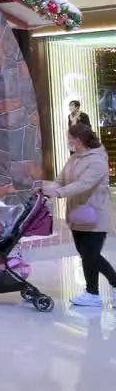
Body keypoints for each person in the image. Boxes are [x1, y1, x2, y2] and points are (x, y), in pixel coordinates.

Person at [42, 122, 114, 307]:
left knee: (91, 255)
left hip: (95, 216)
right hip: (77, 215)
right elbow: (61, 180)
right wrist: (47, 189)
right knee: (85, 255)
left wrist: (58, 193)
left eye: (70, 138)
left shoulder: (98, 160)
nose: (69, 141)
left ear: (79, 140)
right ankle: (92, 293)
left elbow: (84, 184)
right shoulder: (74, 158)